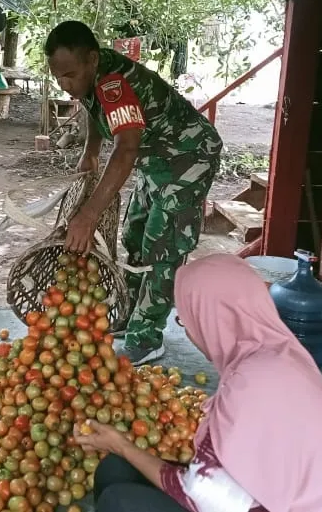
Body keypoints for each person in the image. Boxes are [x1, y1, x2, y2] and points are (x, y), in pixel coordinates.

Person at [73, 254, 322, 512]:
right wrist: (122, 452)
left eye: (186, 318)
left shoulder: (253, 384)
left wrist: (122, 445)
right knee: (115, 469)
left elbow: (207, 496)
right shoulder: (277, 357)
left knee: (121, 501)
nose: (189, 330)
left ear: (213, 317)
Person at [44, 20, 223, 365]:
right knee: (135, 233)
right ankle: (129, 313)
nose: (65, 85)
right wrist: (91, 150)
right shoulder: (93, 74)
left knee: (162, 245)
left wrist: (89, 214)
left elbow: (126, 149)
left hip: (188, 157)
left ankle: (147, 337)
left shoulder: (115, 83)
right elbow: (92, 107)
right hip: (155, 158)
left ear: (92, 59)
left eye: (70, 75)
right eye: (58, 77)